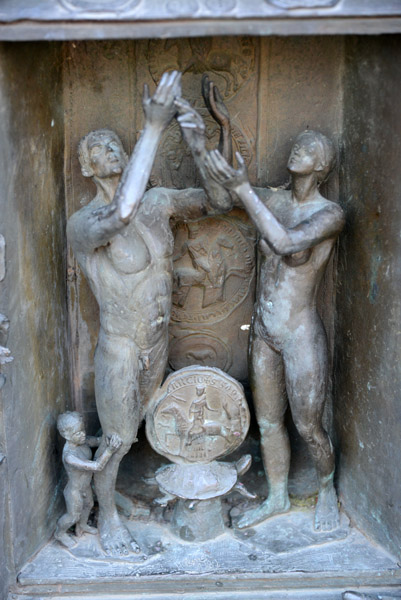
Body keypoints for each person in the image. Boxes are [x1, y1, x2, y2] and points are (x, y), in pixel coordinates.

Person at [67, 73, 234, 555]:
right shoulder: (86, 225)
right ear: (86, 166)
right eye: (99, 148)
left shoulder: (157, 203)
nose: (111, 150)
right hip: (121, 346)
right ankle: (110, 518)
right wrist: (154, 127)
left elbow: (219, 201)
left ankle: (112, 494)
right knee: (118, 437)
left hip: (159, 341)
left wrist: (206, 138)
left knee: (139, 424)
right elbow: (120, 214)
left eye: (117, 144)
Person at [204, 130, 345, 531]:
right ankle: (278, 496)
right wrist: (225, 128)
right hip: (263, 331)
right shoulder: (277, 199)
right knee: (267, 422)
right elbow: (225, 195)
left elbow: (284, 242)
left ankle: (327, 488)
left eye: (309, 147)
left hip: (300, 333)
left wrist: (243, 188)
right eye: (295, 142)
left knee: (308, 426)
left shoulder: (330, 214)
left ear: (322, 166)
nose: (297, 148)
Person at [54, 411, 122, 549]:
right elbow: (96, 466)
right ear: (66, 435)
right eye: (78, 433)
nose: (83, 435)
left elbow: (98, 441)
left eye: (82, 430)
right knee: (73, 515)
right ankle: (60, 533)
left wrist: (111, 437)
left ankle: (82, 525)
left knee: (89, 505)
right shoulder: (69, 456)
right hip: (74, 491)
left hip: (85, 486)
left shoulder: (83, 442)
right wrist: (109, 451)